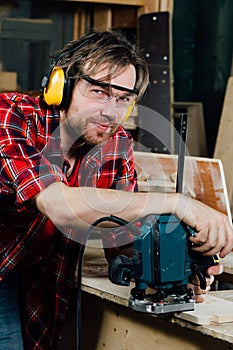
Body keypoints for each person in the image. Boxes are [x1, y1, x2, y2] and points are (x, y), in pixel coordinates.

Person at [0, 29, 232, 350]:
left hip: (39, 280)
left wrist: (171, 266)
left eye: (123, 98)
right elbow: (58, 204)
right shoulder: (10, 118)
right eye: (99, 91)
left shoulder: (115, 142)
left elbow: (119, 234)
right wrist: (175, 202)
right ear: (60, 87)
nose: (111, 111)